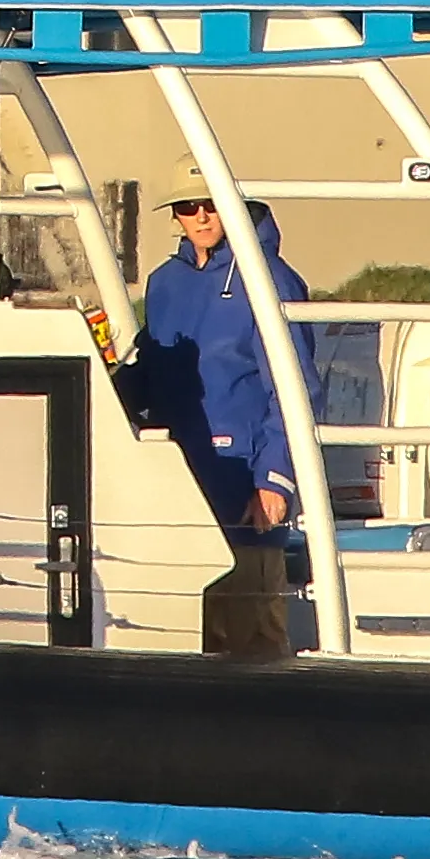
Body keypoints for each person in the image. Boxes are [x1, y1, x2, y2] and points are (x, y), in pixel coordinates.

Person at [135, 190, 312, 656]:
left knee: (252, 639)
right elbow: (149, 373)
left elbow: (296, 389)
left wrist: (275, 479)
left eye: (209, 204)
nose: (200, 216)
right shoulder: (164, 283)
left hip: (243, 491)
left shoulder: (270, 279)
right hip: (177, 490)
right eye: (186, 208)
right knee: (186, 638)